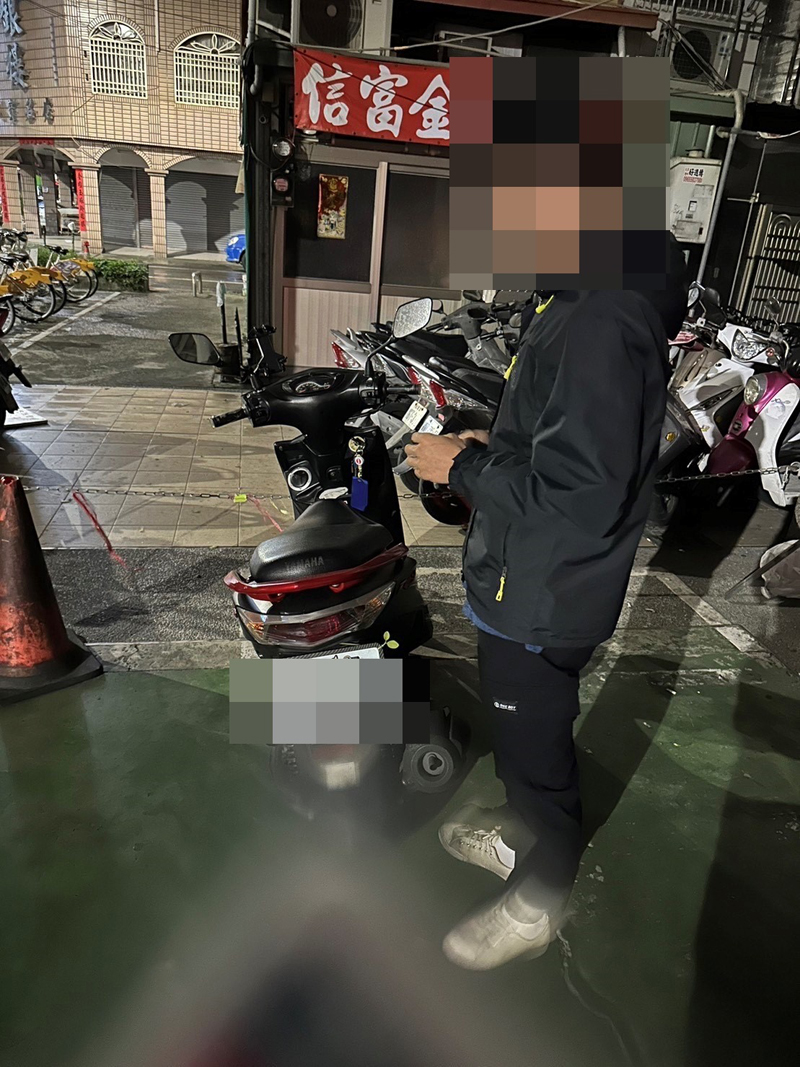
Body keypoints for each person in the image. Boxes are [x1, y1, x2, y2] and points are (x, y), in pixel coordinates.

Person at [404, 242, 689, 970]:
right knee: (519, 735)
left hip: (543, 592)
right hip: (526, 580)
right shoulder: (576, 300)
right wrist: (492, 443)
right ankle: (517, 832)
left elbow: (583, 498)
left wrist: (464, 465)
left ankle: (540, 897)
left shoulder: (599, 317)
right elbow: (566, 446)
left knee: (538, 757)